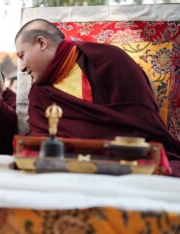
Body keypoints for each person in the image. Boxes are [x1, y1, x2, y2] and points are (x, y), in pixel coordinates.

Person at [14, 19, 180, 175]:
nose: (21, 67)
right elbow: (40, 143)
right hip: (69, 167)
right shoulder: (39, 94)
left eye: (21, 56)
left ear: (41, 43)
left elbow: (144, 122)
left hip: (126, 159)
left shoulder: (110, 60)